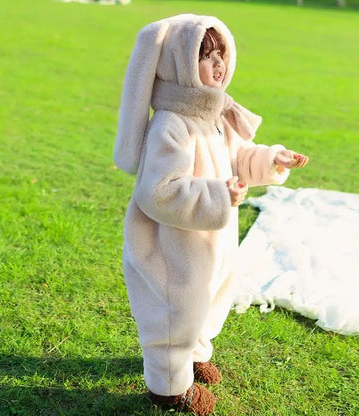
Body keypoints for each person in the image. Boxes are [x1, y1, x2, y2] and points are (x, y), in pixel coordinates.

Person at [114, 14, 308, 415]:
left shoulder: (214, 115)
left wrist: (272, 158)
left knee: (211, 298)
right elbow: (158, 191)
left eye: (221, 53)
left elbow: (237, 157)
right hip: (175, 244)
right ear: (178, 65)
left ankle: (196, 351)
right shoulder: (172, 124)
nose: (218, 64)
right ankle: (169, 387)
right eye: (204, 56)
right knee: (176, 310)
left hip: (213, 240)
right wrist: (219, 193)